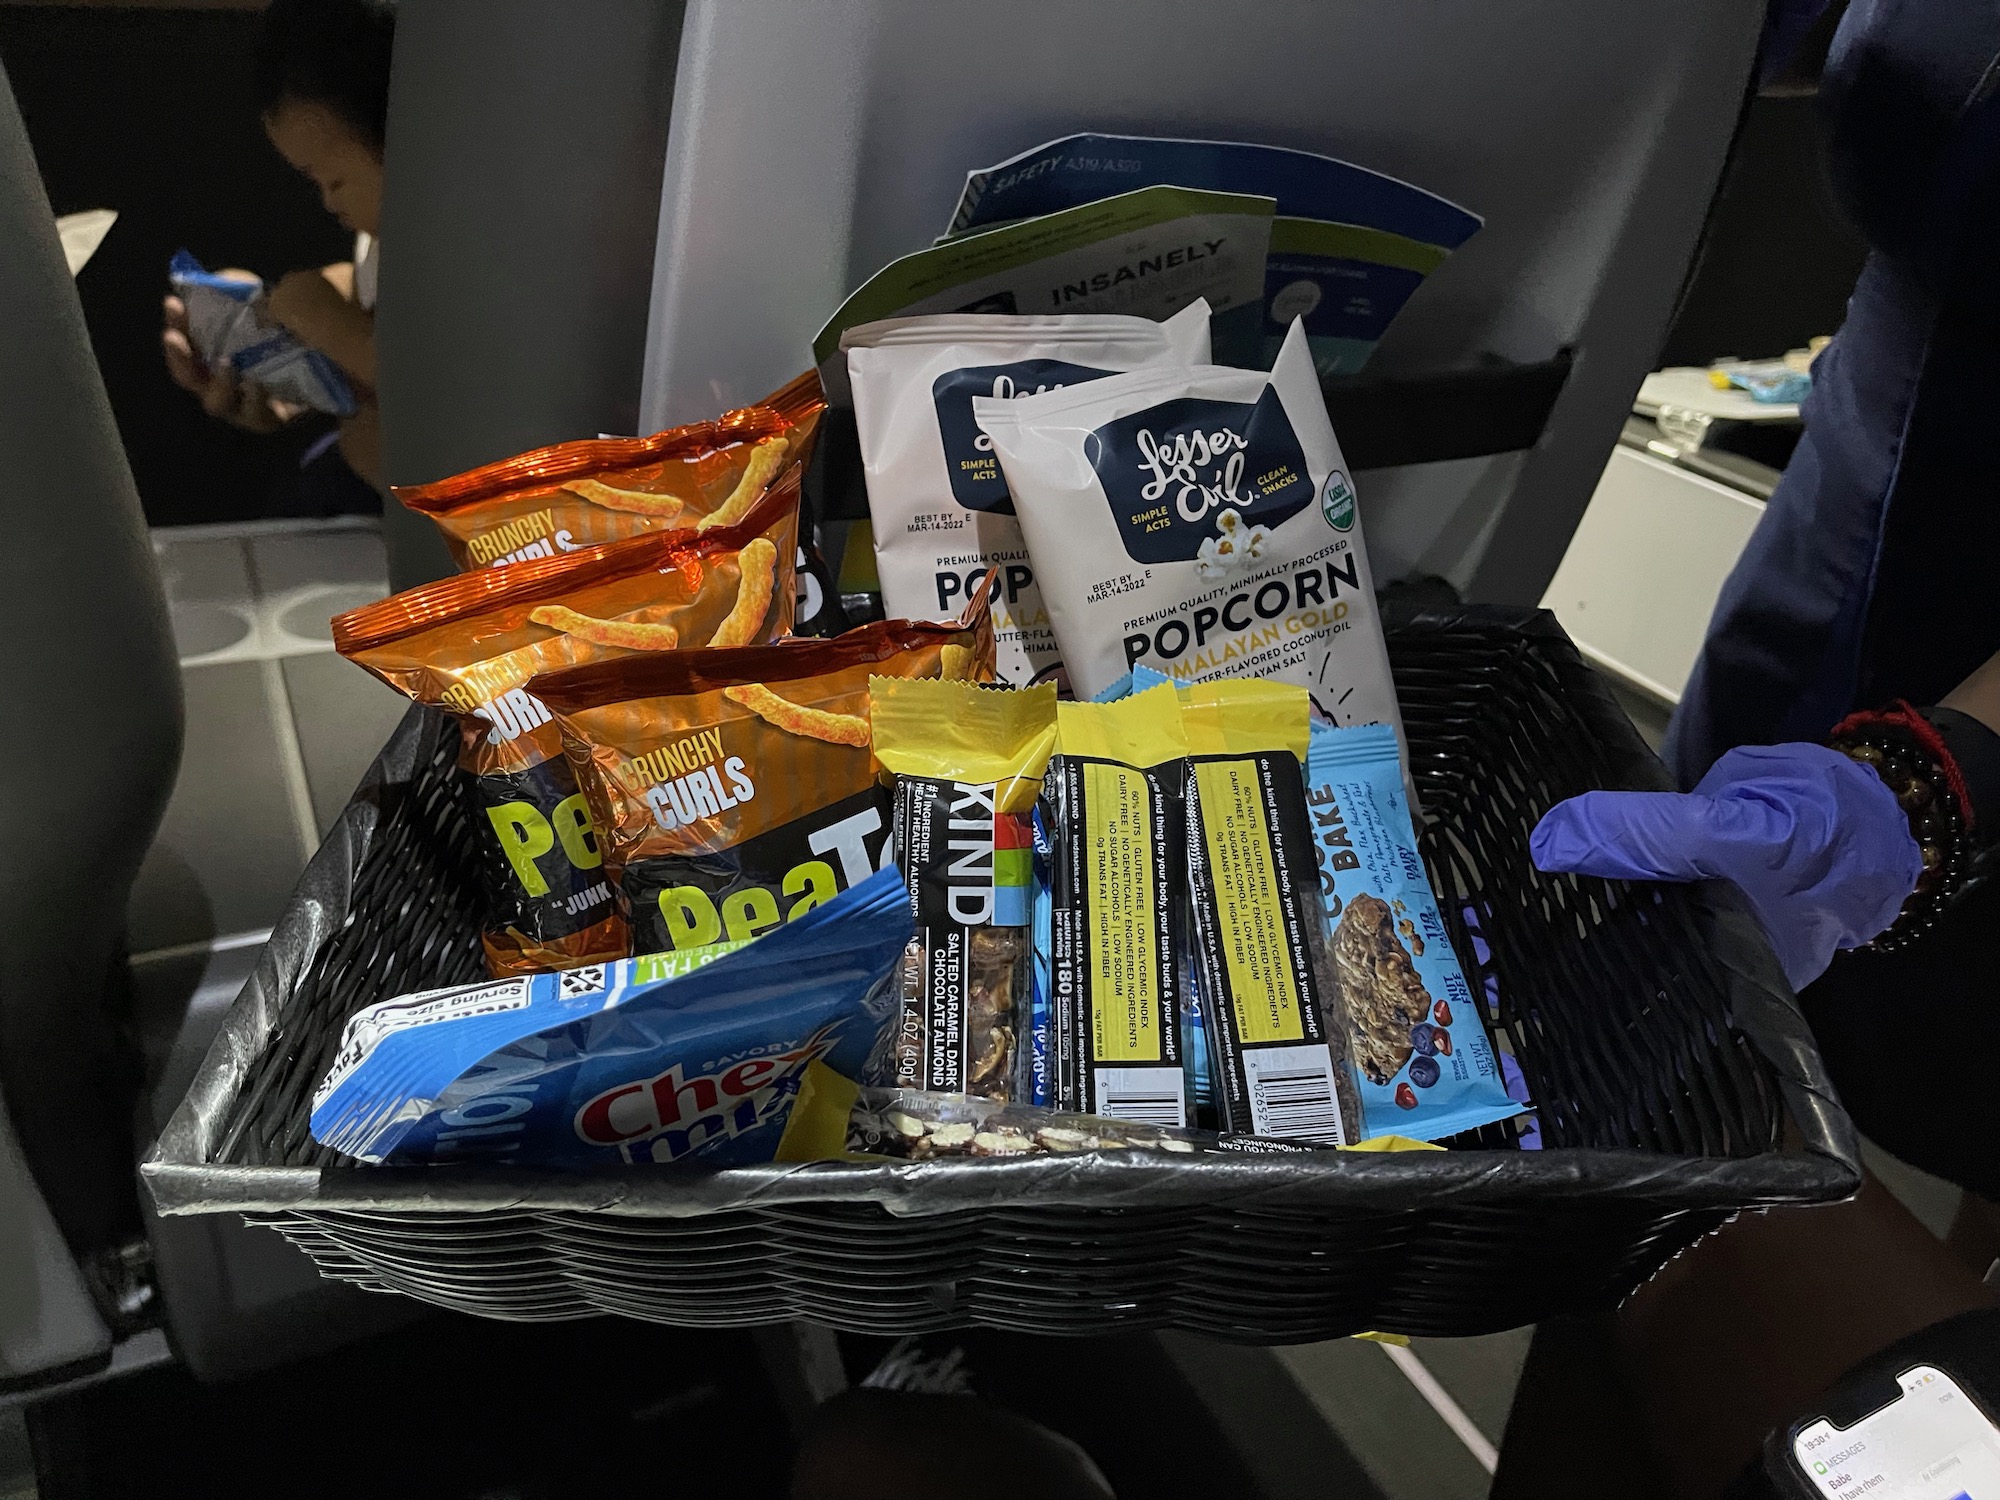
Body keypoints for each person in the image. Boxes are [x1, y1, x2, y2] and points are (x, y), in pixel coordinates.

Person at [160, 0, 395, 492]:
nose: (329, 203)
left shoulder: (494, 259)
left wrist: (330, 325)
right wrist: (269, 325)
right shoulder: (382, 237)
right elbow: (373, 287)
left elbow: (452, 391)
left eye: (333, 180)